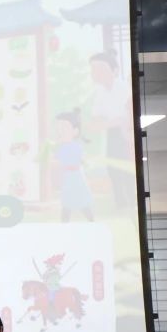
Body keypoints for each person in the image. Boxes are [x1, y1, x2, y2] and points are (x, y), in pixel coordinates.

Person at [86, 51, 134, 209]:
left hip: (128, 133)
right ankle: (121, 203)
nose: (96, 72)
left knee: (127, 168)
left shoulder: (124, 88)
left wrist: (111, 123)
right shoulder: (100, 91)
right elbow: (95, 121)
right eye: (93, 69)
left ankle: (133, 201)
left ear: (114, 70)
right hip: (113, 133)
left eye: (101, 68)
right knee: (113, 168)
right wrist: (110, 122)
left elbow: (127, 116)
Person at [54, 109, 94, 223]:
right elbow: (58, 161)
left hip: (76, 176)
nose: (60, 132)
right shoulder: (61, 147)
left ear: (75, 131)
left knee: (82, 200)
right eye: (58, 129)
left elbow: (80, 159)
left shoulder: (76, 146)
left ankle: (91, 220)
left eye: (64, 128)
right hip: (67, 177)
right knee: (67, 202)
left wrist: (85, 162)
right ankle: (64, 223)